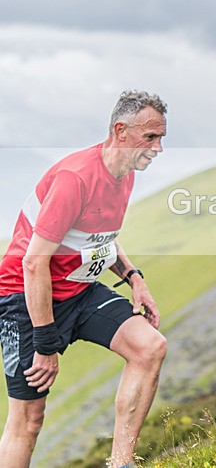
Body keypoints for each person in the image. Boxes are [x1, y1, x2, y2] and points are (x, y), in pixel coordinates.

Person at [0, 91, 169, 468]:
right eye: (151, 137)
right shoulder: (74, 178)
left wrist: (133, 276)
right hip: (25, 297)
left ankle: (120, 463)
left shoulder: (124, 174)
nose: (158, 148)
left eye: (161, 138)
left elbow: (99, 236)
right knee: (28, 421)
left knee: (149, 347)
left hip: (78, 289)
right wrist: (46, 344)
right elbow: (33, 263)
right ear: (120, 131)